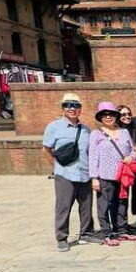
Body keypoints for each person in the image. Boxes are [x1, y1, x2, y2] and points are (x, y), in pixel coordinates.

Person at [43, 93, 95, 252]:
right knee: (63, 207)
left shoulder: (86, 130)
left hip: (84, 173)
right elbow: (46, 150)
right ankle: (62, 237)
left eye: (76, 105)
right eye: (68, 105)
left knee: (86, 206)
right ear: (63, 108)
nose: (72, 109)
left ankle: (86, 233)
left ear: (80, 109)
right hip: (65, 174)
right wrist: (57, 167)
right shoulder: (54, 127)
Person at [89, 101, 136, 245]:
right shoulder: (96, 134)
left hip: (123, 175)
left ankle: (121, 229)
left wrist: (131, 157)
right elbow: (93, 156)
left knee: (122, 203)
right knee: (105, 205)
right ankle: (106, 232)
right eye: (104, 115)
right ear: (100, 117)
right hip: (105, 176)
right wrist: (94, 178)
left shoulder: (124, 132)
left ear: (116, 116)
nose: (108, 117)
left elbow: (133, 151)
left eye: (111, 114)